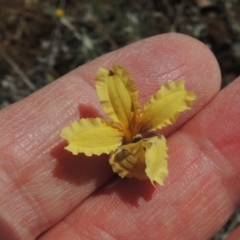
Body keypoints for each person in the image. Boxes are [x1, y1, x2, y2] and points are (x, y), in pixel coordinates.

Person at [0, 33, 239, 240]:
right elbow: (79, 138)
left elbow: (172, 103)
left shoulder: (147, 136)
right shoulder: (125, 131)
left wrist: (146, 162)